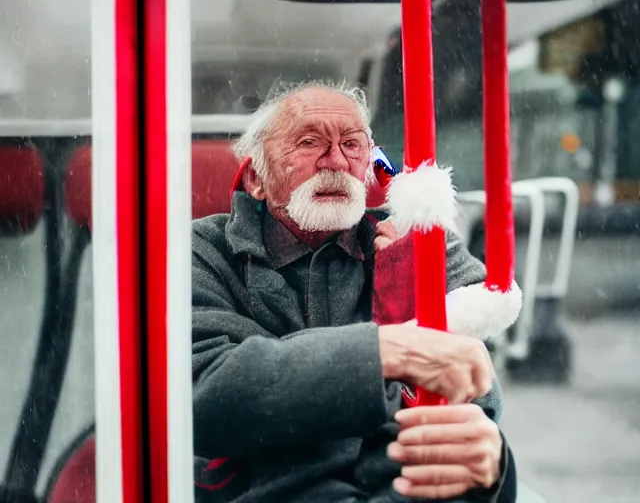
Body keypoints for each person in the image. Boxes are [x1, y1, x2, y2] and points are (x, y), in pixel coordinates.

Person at [191, 80, 517, 502]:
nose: (336, 162)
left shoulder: (415, 243)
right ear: (256, 178)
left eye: (352, 145)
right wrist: (386, 348)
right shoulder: (200, 250)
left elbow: (475, 398)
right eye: (310, 142)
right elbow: (209, 398)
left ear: (369, 167)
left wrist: (493, 464)